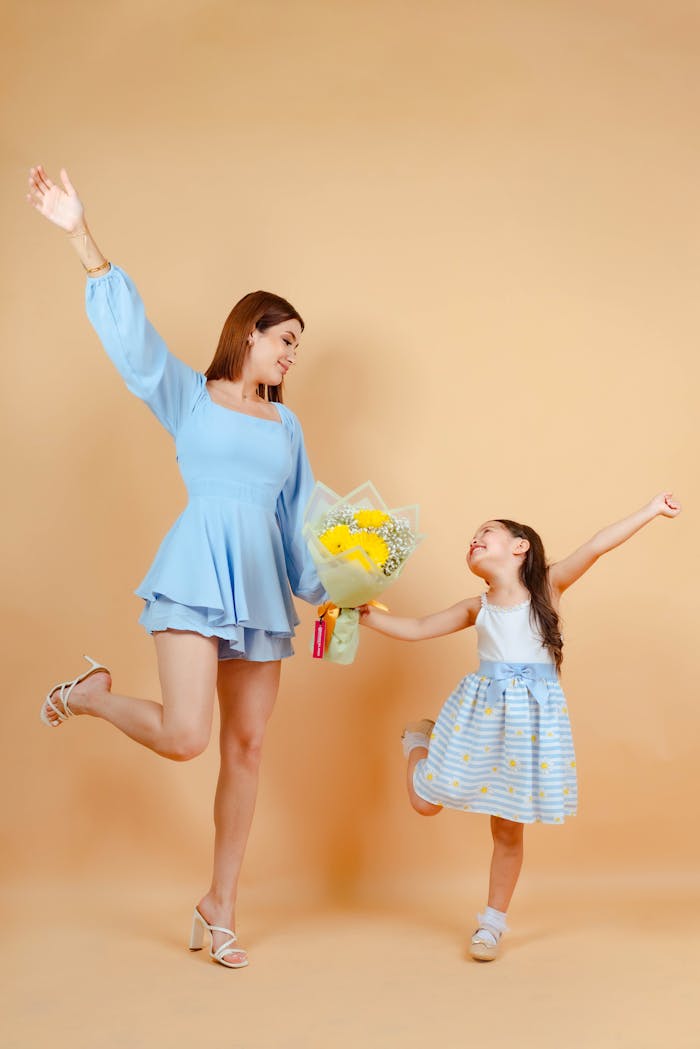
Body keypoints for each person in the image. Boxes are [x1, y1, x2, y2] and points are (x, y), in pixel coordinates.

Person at [27, 164, 327, 969]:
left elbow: (302, 525)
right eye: (285, 338)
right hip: (196, 574)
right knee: (189, 735)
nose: (293, 354)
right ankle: (90, 697)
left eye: (299, 344)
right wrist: (80, 237)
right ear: (250, 333)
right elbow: (134, 344)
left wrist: (343, 589)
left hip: (262, 590)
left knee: (249, 748)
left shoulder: (288, 429)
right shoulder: (191, 395)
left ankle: (219, 904)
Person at [359, 494, 681, 961]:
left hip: (529, 728)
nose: (474, 539)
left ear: (520, 546)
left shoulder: (548, 588)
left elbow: (597, 545)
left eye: (485, 532)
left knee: (509, 830)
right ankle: (418, 738)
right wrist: (365, 617)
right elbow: (420, 626)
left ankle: (491, 924)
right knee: (424, 803)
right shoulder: (477, 607)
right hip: (480, 715)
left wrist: (651, 509)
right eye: (472, 538)